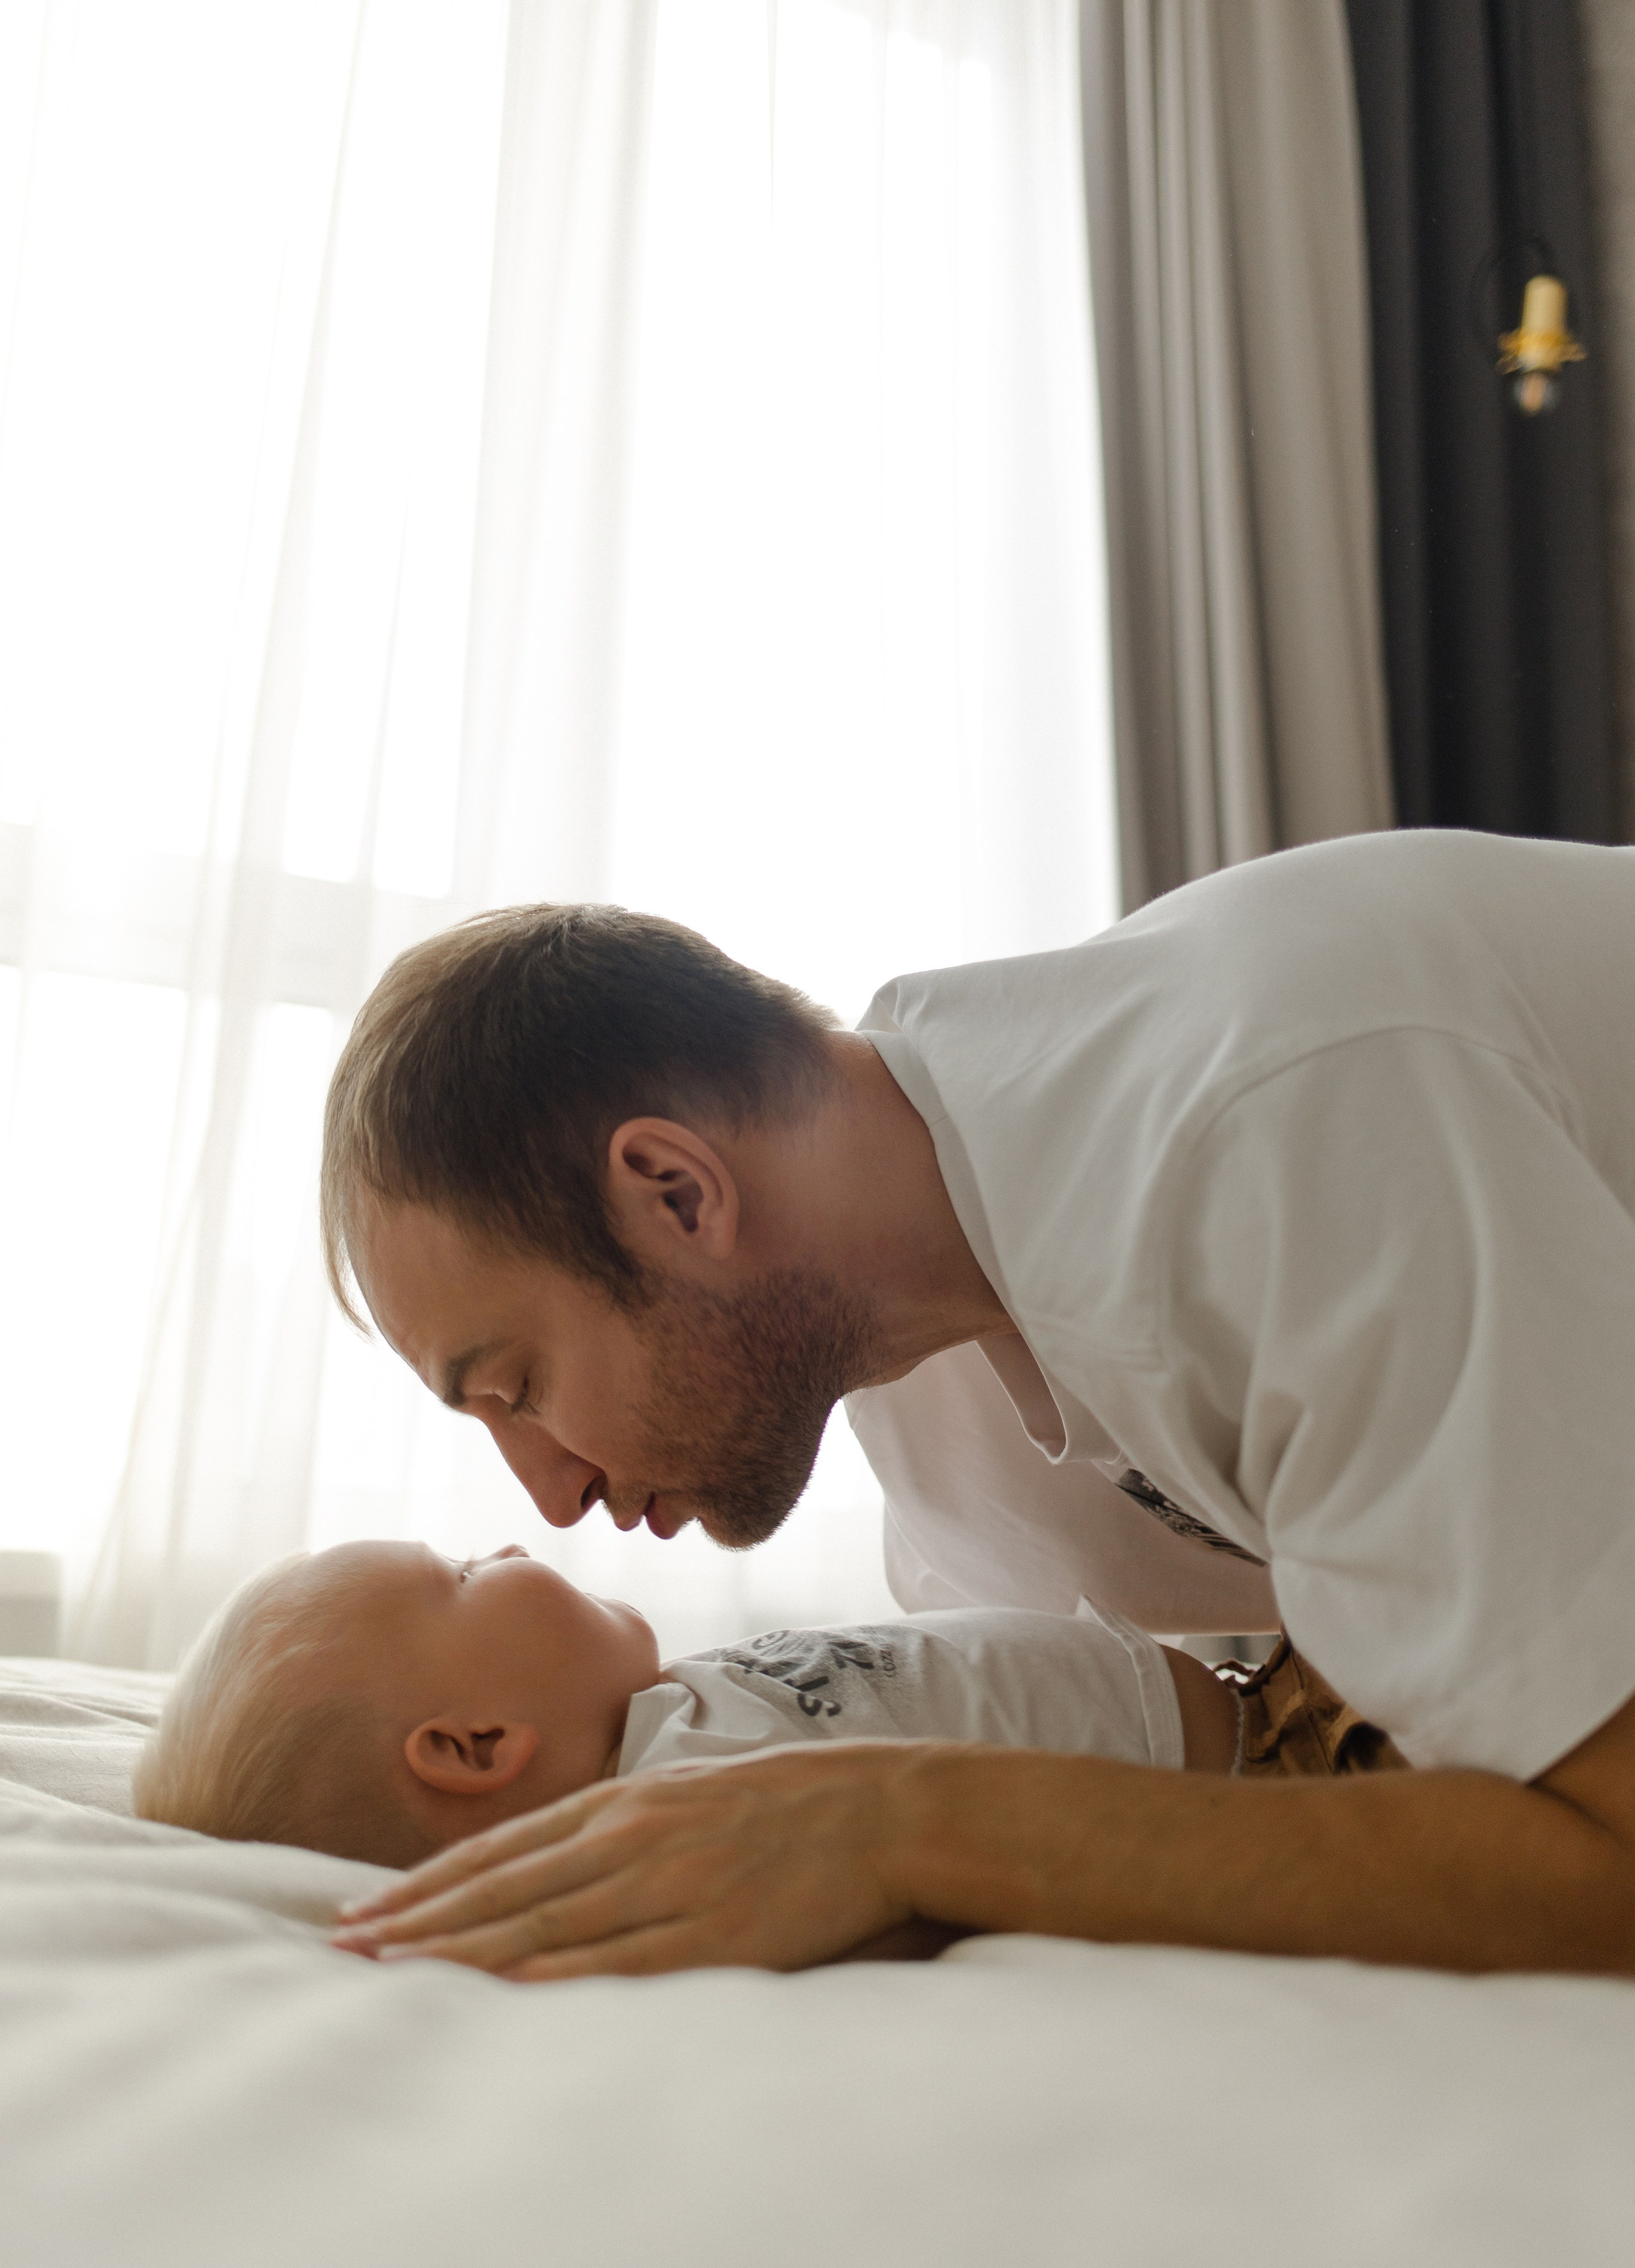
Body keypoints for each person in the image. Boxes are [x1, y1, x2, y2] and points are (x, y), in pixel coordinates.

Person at [315, 831, 1635, 1981]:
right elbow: (1142, 1795)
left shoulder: (1276, 1126)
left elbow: (1606, 1854)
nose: (550, 1497)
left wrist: (894, 1820)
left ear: (675, 1193)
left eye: (517, 1387)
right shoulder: (907, 1359)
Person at [132, 1542, 1239, 1881]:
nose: (509, 1546)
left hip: (1258, 1686)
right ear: (474, 1746)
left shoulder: (658, 1714)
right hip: (1269, 1776)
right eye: (462, 1574)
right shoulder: (687, 1809)